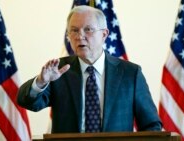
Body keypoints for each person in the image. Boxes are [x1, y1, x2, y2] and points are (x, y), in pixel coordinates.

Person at [17, 5, 162, 133]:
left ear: (104, 34)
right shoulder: (58, 71)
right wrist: (41, 82)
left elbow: (151, 125)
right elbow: (28, 103)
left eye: (88, 30)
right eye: (74, 30)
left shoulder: (130, 73)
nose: (80, 36)